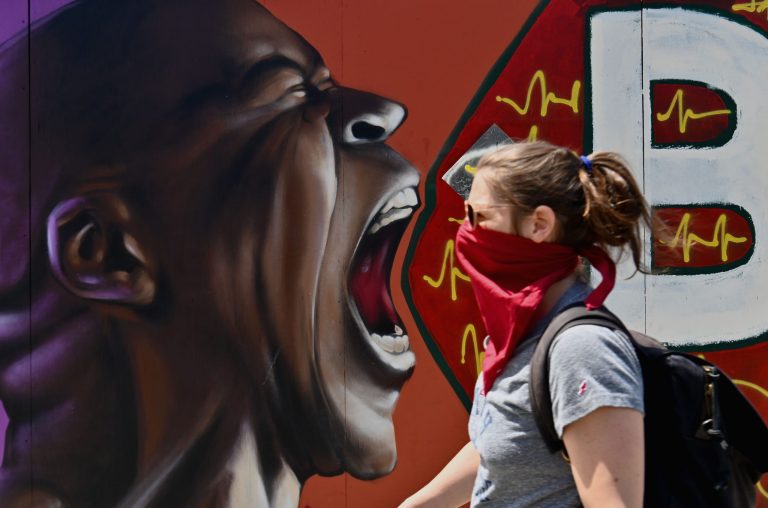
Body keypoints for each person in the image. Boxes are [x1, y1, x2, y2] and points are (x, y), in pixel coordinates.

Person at [400, 140, 653, 507]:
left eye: (481, 217)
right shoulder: (519, 336)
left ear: (539, 225)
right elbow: (508, 442)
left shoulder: (582, 350)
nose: (466, 232)